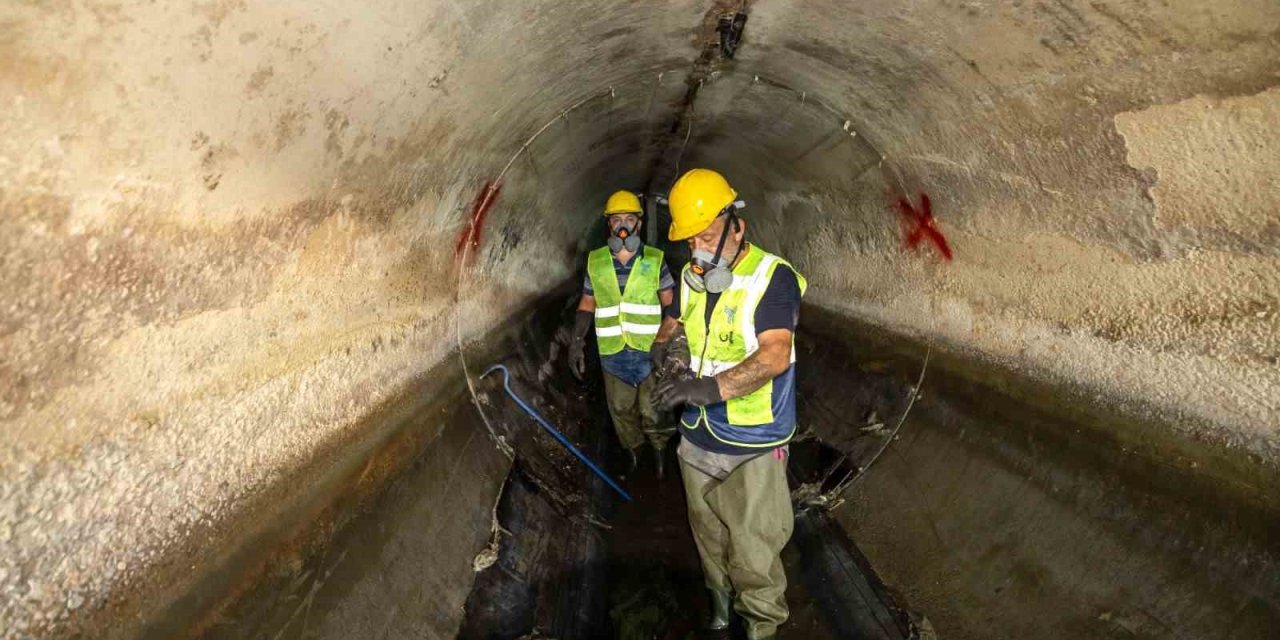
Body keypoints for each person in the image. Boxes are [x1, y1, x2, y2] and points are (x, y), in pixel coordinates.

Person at [650, 169, 806, 640]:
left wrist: (709, 390)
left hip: (753, 439)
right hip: (697, 434)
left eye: (709, 235)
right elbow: (674, 322)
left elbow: (776, 353)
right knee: (708, 533)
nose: (698, 247)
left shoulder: (771, 277)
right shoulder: (690, 275)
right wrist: (664, 351)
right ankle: (720, 608)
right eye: (691, 239)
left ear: (737, 225)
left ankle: (761, 626)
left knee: (754, 545)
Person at [568, 190, 677, 478]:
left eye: (630, 218)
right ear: (609, 224)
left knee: (654, 410)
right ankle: (634, 454)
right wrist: (577, 341)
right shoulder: (596, 260)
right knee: (620, 409)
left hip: (649, 351)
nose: (623, 225)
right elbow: (588, 301)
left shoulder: (655, 259)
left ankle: (659, 455)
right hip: (613, 352)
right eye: (617, 220)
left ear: (639, 224)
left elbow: (672, 305)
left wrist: (668, 342)